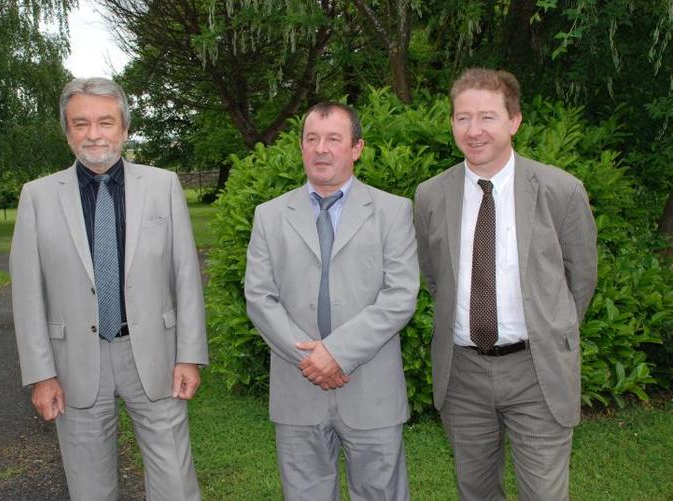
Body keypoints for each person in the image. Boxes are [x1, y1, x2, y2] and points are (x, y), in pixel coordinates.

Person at [10, 77, 207, 501]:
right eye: (81, 124)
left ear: (124, 129)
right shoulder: (37, 197)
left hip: (154, 355)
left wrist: (190, 355)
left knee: (175, 482)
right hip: (75, 364)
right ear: (67, 133)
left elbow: (185, 275)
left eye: (105, 121)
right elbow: (27, 295)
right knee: (90, 488)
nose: (94, 134)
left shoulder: (163, 186)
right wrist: (41, 375)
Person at [414, 68, 598, 500]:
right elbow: (433, 275)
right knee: (475, 491)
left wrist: (548, 327)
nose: (473, 130)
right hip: (463, 374)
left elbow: (580, 279)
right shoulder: (430, 196)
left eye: (487, 117)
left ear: (514, 121)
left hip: (537, 370)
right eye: (462, 117)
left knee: (544, 494)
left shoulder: (561, 190)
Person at [244, 102, 420, 500]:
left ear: (356, 148)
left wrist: (337, 353)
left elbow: (399, 296)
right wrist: (312, 359)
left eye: (333, 139)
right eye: (312, 139)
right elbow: (259, 296)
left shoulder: (393, 212)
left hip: (371, 389)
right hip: (297, 386)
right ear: (302, 146)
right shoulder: (269, 216)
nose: (321, 148)